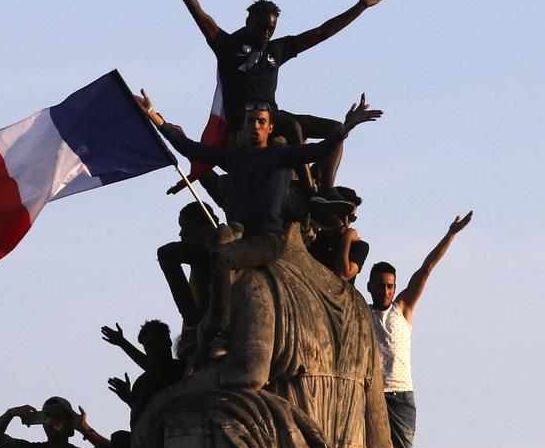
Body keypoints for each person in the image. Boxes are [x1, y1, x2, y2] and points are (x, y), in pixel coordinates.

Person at [137, 89, 382, 359]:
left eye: (261, 122)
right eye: (251, 121)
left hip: (267, 239)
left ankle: (220, 333)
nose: (255, 126)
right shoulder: (233, 158)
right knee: (168, 254)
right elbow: (190, 149)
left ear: (269, 127)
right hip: (239, 235)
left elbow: (322, 148)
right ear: (244, 126)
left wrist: (346, 126)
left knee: (220, 258)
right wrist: (153, 116)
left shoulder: (282, 156)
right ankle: (194, 319)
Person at [153, 0, 389, 196]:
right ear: (248, 22)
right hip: (245, 122)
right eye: (263, 27)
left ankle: (326, 191)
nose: (267, 33)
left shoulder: (278, 49)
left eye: (272, 29)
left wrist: (360, 7)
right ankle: (311, 193)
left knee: (335, 128)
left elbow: (322, 32)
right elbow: (200, 15)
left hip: (272, 116)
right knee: (293, 128)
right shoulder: (227, 45)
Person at [366, 210, 473, 448]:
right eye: (381, 286)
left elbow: (426, 268)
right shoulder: (361, 312)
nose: (386, 291)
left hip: (402, 395)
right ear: (370, 286)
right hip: (373, 395)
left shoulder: (403, 309)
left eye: (390, 286)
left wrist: (451, 234)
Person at [101, 319, 186, 425]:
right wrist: (130, 399)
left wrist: (123, 343)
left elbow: (159, 370)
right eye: (149, 346)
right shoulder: (141, 383)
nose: (154, 350)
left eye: (157, 343)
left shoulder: (184, 368)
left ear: (168, 342)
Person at [156, 202, 221, 328]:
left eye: (185, 226)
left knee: (165, 253)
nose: (181, 233)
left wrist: (191, 318)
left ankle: (191, 317)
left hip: (211, 316)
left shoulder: (208, 242)